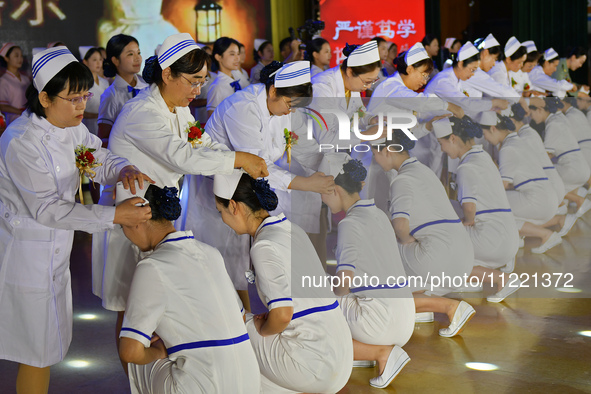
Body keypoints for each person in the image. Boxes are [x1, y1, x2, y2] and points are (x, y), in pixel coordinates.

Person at [92, 33, 268, 361]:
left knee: (156, 301)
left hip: (160, 217)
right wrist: (240, 158)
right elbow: (182, 157)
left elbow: (201, 144)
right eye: (193, 81)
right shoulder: (142, 112)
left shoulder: (177, 109)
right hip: (132, 221)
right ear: (167, 74)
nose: (197, 91)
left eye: (202, 82)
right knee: (131, 309)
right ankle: (135, 379)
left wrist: (238, 158)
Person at [0, 46, 152, 394]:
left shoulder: (69, 126)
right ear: (44, 97)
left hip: (54, 250)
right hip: (27, 255)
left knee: (46, 347)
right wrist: (116, 215)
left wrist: (121, 168)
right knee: (34, 351)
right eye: (73, 98)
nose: (82, 105)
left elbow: (95, 154)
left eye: (85, 95)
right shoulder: (20, 141)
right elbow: (48, 209)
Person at [183, 61, 329, 301]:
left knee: (239, 263)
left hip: (244, 193)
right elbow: (258, 166)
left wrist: (332, 167)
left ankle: (244, 318)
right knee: (216, 264)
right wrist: (306, 184)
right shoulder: (244, 107)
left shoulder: (283, 109)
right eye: (290, 104)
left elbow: (304, 147)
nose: (290, 112)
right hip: (216, 193)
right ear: (273, 91)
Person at [214, 171, 353, 393]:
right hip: (342, 360)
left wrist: (264, 326)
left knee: (229, 325)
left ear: (233, 206)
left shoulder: (263, 246)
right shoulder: (292, 230)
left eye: (220, 211)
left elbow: (283, 315)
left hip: (313, 364)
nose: (222, 218)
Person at [119, 184, 260, 394]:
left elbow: (129, 352)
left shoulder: (151, 266)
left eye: (122, 227)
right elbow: (240, 318)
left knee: (137, 353)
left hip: (204, 386)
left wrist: (157, 352)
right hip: (250, 381)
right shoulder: (211, 252)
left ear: (136, 222)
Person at [320, 153, 414, 388]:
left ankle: (380, 353)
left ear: (334, 190)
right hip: (405, 320)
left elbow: (343, 285)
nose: (321, 198)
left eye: (321, 191)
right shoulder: (378, 213)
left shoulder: (349, 224)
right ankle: (366, 349)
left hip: (380, 324)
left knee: (317, 314)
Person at [371, 130, 476, 334]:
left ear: (386, 151)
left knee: (380, 248)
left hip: (437, 259)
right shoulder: (424, 171)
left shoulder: (401, 180)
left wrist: (407, 240)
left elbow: (400, 225)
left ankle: (451, 307)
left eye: (374, 153)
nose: (374, 159)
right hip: (463, 258)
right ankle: (424, 304)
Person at [434, 116, 523, 301]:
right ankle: (475, 279)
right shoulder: (483, 157)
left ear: (452, 139)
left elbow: (469, 209)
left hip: (492, 238)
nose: (441, 149)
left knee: (439, 245)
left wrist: (465, 222)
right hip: (506, 235)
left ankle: (502, 279)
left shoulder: (467, 166)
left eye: (441, 143)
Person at [477, 110, 562, 253]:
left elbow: (503, 185)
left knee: (492, 208)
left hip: (537, 199)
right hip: (546, 197)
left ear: (493, 129)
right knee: (504, 210)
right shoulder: (516, 141)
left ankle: (546, 235)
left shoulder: (508, 148)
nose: (485, 139)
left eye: (485, 134)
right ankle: (519, 239)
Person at [311, 40, 385, 148]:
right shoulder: (322, 88)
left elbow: (358, 113)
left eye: (372, 81)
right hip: (309, 155)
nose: (369, 87)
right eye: (367, 81)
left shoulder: (352, 84)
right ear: (350, 72)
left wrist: (371, 119)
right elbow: (326, 138)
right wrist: (365, 135)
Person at [529, 97, 591, 216]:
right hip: (580, 166)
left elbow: (546, 155)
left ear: (540, 110)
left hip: (572, 167)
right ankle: (572, 199)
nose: (531, 117)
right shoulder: (559, 118)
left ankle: (578, 201)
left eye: (532, 114)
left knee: (546, 180)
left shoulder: (553, 124)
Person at [98, 34, 148, 146]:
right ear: (115, 60)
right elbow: (104, 138)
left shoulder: (147, 86)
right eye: (130, 54)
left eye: (138, 53)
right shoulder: (110, 95)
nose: (137, 58)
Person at [206, 37, 250, 118]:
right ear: (218, 57)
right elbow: (212, 119)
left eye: (238, 54)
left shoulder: (236, 80)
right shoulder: (217, 87)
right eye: (232, 54)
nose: (237, 58)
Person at [80, 47, 110, 136]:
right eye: (94, 60)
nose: (98, 63)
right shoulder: (82, 84)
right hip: (88, 126)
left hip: (105, 124)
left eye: (100, 59)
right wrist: (98, 116)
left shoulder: (104, 82)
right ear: (85, 62)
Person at [0, 43, 30, 125]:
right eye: (16, 56)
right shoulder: (4, 80)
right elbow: (2, 105)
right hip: (14, 122)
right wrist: (21, 112)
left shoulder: (26, 79)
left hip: (29, 120)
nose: (20, 59)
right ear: (6, 58)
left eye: (21, 56)